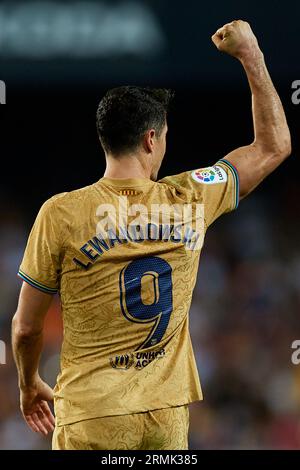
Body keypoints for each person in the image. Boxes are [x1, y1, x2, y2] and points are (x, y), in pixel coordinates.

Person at [12, 20, 291, 450]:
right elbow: (273, 145)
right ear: (150, 139)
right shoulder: (191, 196)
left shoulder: (61, 212)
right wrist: (251, 55)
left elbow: (26, 329)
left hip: (91, 414)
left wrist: (29, 384)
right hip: (165, 417)